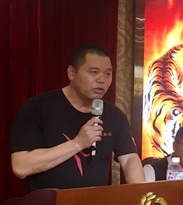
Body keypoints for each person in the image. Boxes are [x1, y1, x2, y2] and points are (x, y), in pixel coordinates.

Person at [10, 44, 145, 193]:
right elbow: (21, 167)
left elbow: (129, 159)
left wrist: (142, 196)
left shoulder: (115, 116)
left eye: (108, 74)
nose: (102, 79)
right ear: (71, 73)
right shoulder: (37, 108)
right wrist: (78, 144)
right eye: (94, 72)